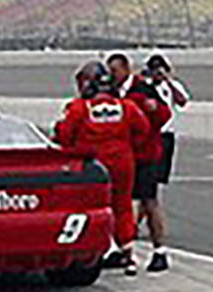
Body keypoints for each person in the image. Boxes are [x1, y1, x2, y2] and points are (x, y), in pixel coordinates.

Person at [54, 60, 154, 274]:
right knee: (123, 206)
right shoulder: (126, 106)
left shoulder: (80, 108)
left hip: (93, 166)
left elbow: (63, 135)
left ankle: (96, 250)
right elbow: (143, 129)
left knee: (90, 208)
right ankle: (127, 253)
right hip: (123, 162)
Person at [113, 53, 174, 272]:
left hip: (146, 154)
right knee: (121, 202)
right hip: (124, 156)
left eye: (115, 71)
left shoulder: (143, 90)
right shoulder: (113, 92)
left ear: (125, 69)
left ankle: (160, 251)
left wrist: (146, 123)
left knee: (149, 200)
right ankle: (122, 248)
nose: (113, 76)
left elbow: (164, 114)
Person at [144, 53, 190, 268]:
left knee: (156, 183)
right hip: (151, 135)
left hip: (167, 136)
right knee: (148, 185)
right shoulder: (144, 87)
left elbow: (182, 101)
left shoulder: (172, 86)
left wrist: (168, 82)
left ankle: (144, 219)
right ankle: (141, 220)